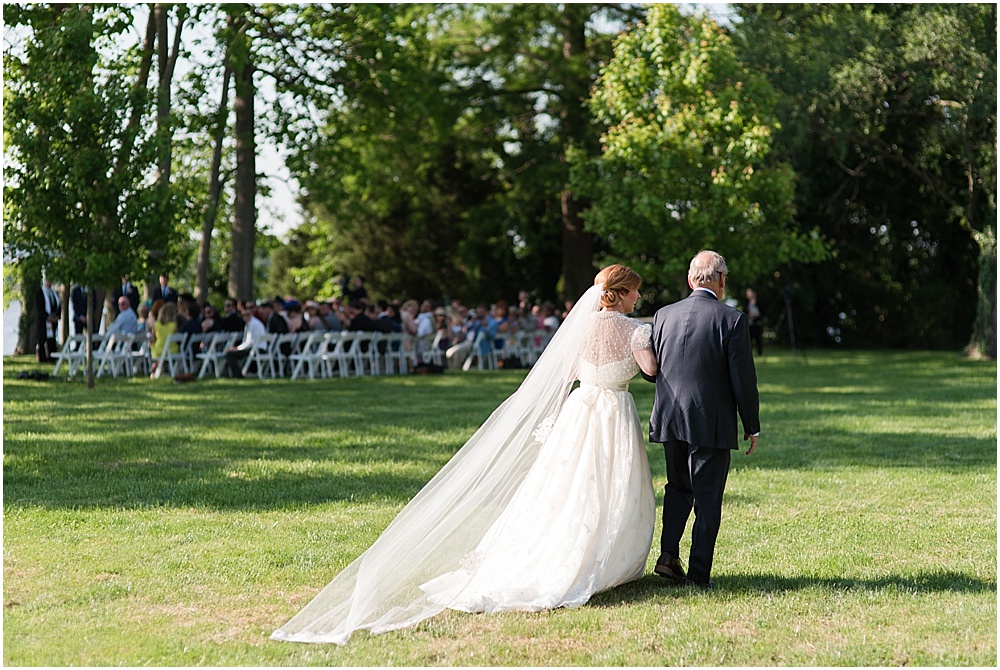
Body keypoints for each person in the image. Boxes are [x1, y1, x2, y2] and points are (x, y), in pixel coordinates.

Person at [272, 264, 657, 645]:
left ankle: (577, 551)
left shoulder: (580, 327)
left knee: (565, 485)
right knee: (609, 480)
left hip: (579, 411)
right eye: (635, 290)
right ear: (621, 292)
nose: (638, 296)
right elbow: (651, 370)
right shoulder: (636, 331)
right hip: (613, 411)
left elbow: (566, 374)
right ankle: (603, 557)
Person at [645, 250, 760, 589]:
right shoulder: (732, 320)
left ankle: (668, 556)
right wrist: (751, 424)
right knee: (708, 498)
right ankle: (697, 576)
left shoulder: (663, 315)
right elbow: (743, 379)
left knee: (677, 489)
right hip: (710, 420)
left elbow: (652, 371)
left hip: (669, 417)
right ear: (721, 279)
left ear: (690, 279)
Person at [224, 303, 267, 379]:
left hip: (256, 349)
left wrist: (237, 348)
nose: (245, 317)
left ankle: (237, 375)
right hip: (255, 348)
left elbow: (250, 342)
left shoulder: (253, 324)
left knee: (230, 354)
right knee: (230, 353)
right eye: (243, 315)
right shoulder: (250, 323)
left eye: (247, 315)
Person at [149, 302, 179, 376]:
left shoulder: (156, 325)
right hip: (171, 349)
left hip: (158, 350)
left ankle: (158, 366)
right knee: (167, 350)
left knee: (156, 348)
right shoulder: (174, 325)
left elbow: (153, 339)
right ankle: (161, 367)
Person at [34, 277, 60, 362]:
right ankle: (42, 358)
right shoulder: (39, 292)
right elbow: (39, 308)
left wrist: (56, 316)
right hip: (43, 320)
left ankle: (52, 357)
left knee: (52, 339)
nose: (50, 282)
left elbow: (58, 305)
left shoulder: (54, 292)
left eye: (51, 281)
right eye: (48, 280)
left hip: (53, 320)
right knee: (42, 339)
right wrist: (48, 317)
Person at [744, 288, 764, 356]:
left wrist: (757, 314)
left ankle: (760, 353)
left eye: (749, 293)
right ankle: (749, 353)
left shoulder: (759, 302)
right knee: (749, 339)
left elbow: (763, 312)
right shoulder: (746, 303)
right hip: (749, 324)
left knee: (758, 339)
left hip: (757, 323)